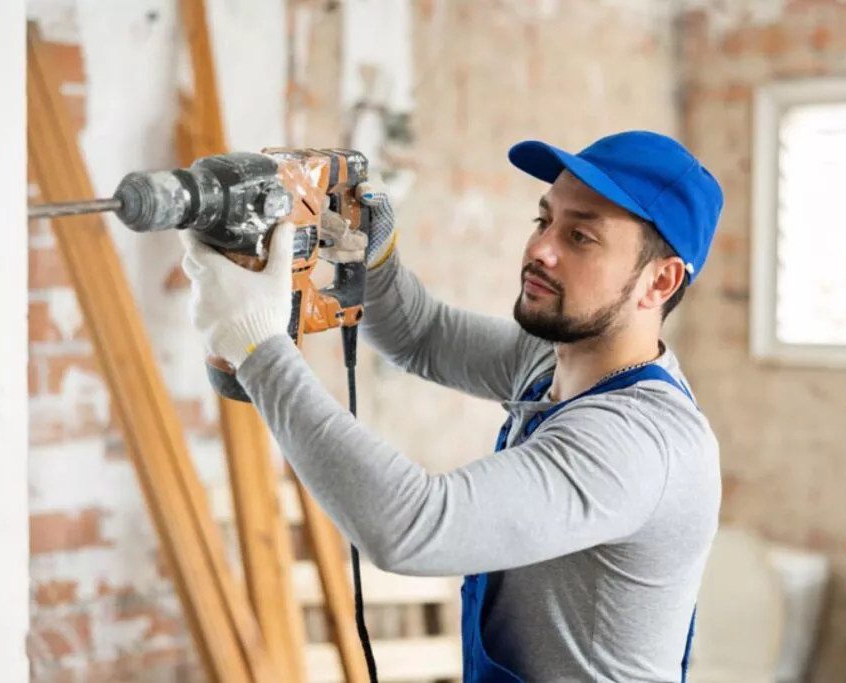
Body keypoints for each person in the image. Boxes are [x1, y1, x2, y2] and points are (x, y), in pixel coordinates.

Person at [178, 130, 725, 682]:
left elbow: (413, 526)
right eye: (544, 220)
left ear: (660, 281)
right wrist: (369, 252)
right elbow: (423, 336)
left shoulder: (637, 445)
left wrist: (258, 345)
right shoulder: (556, 359)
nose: (540, 248)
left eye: (580, 236)